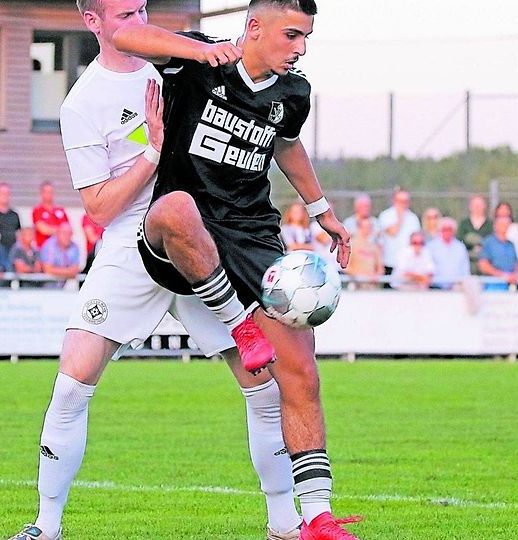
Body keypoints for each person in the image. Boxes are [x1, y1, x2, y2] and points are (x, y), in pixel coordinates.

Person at [8, 3, 304, 540]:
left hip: (201, 240)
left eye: (144, 8)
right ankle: (45, 528)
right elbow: (98, 209)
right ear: (92, 21)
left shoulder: (177, 62)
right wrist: (153, 151)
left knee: (264, 388)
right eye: (125, 13)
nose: (140, 20)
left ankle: (285, 525)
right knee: (72, 383)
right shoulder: (83, 103)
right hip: (129, 242)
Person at [115, 1, 364, 537]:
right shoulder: (197, 59)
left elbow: (288, 147)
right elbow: (124, 33)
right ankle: (239, 323)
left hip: (252, 236)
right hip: (179, 231)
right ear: (254, 28)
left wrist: (324, 214)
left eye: (306, 39)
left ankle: (316, 518)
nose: (300, 49)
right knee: (177, 207)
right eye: (292, 35)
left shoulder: (293, 93)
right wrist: (201, 50)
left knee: (301, 373)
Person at [377, 189, 420, 283]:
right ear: (395, 201)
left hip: (406, 266)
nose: (403, 204)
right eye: (401, 201)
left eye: (406, 201)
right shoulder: (386, 215)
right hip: (389, 262)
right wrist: (400, 217)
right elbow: (393, 232)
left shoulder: (413, 218)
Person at [427, 217, 471, 289]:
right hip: (436, 286)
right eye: (444, 229)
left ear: (453, 231)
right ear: (440, 230)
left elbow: (465, 268)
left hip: (457, 286)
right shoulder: (431, 246)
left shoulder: (460, 247)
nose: (447, 232)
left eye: (449, 229)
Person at [478, 215, 518, 290]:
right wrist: (503, 276)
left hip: (510, 286)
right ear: (495, 226)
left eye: (507, 224)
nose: (505, 227)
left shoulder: (511, 244)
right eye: (502, 224)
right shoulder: (489, 242)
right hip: (493, 285)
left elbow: (516, 263)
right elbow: (483, 265)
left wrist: (515, 275)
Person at [39, 222, 81, 289]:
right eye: (64, 233)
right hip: (44, 288)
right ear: (58, 233)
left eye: (70, 234)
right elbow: (47, 269)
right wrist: (68, 271)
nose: (67, 236)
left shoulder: (74, 247)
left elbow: (75, 271)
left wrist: (56, 270)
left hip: (62, 289)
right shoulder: (49, 246)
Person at [344, 218, 383, 290]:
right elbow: (345, 267)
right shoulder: (352, 244)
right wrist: (361, 276)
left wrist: (376, 276)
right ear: (359, 227)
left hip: (372, 286)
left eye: (370, 227)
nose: (368, 229)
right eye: (365, 227)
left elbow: (380, 268)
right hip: (356, 286)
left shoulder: (374, 246)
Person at [457, 195, 492, 274]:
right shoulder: (464, 224)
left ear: (485, 206)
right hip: (467, 266)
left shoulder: (490, 224)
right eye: (475, 205)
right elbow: (459, 243)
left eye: (480, 205)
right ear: (470, 207)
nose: (477, 208)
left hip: (486, 267)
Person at [32, 181, 72, 249]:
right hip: (44, 249)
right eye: (46, 192)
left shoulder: (60, 210)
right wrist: (60, 231)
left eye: (51, 192)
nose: (49, 194)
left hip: (61, 249)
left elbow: (68, 228)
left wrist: (55, 230)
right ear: (41, 193)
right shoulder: (37, 210)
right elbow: (43, 229)